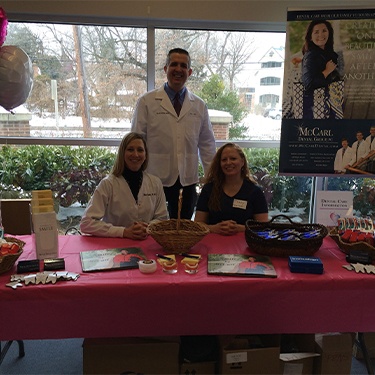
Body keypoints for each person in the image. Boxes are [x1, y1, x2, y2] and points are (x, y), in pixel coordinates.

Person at [131, 47, 216, 220]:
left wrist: (212, 179)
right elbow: (136, 141)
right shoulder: (146, 102)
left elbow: (207, 144)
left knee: (182, 230)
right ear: (165, 69)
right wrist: (134, 176)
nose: (178, 69)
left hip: (187, 181)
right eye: (174, 64)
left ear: (189, 72)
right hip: (154, 179)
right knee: (152, 226)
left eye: (183, 66)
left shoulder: (199, 105)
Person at [80, 132, 168, 238]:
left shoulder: (155, 183)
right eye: (130, 149)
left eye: (140, 150)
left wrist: (148, 227)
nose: (135, 154)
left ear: (145, 155)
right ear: (122, 153)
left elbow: (162, 218)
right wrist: (123, 232)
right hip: (115, 246)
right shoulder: (108, 184)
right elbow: (86, 223)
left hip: (147, 243)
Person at [194, 143, 269, 235]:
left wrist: (240, 228)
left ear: (242, 162)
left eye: (233, 158)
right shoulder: (208, 189)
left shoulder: (255, 191)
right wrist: (214, 228)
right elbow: (197, 224)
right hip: (213, 244)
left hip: (245, 244)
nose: (228, 163)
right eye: (224, 160)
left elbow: (263, 226)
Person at [301, 20, 342, 119]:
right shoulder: (311, 56)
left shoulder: (328, 53)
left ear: (329, 33)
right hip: (315, 107)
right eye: (316, 32)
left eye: (324, 30)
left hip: (330, 103)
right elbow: (308, 83)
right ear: (310, 37)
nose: (321, 34)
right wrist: (327, 71)